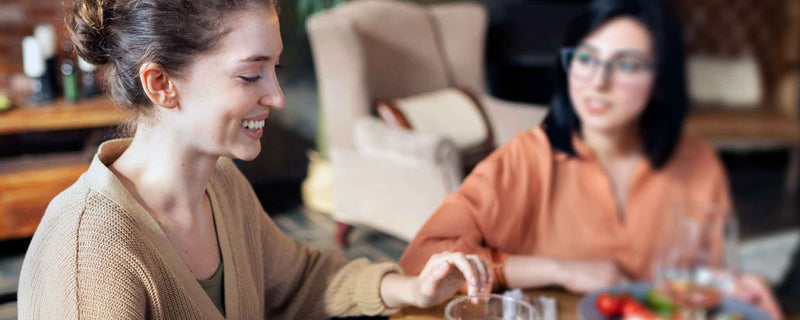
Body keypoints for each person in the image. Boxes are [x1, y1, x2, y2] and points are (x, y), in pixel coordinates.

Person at [16, 0, 493, 318]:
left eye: (275, 68)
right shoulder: (91, 257)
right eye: (250, 76)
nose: (278, 97)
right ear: (161, 84)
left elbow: (299, 279)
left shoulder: (221, 183)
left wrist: (412, 288)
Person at [399, 0, 783, 318]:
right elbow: (421, 263)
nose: (598, 82)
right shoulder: (527, 157)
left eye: (627, 65)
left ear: (662, 81)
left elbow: (699, 281)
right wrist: (558, 268)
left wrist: (733, 289)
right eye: (586, 58)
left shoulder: (697, 161)